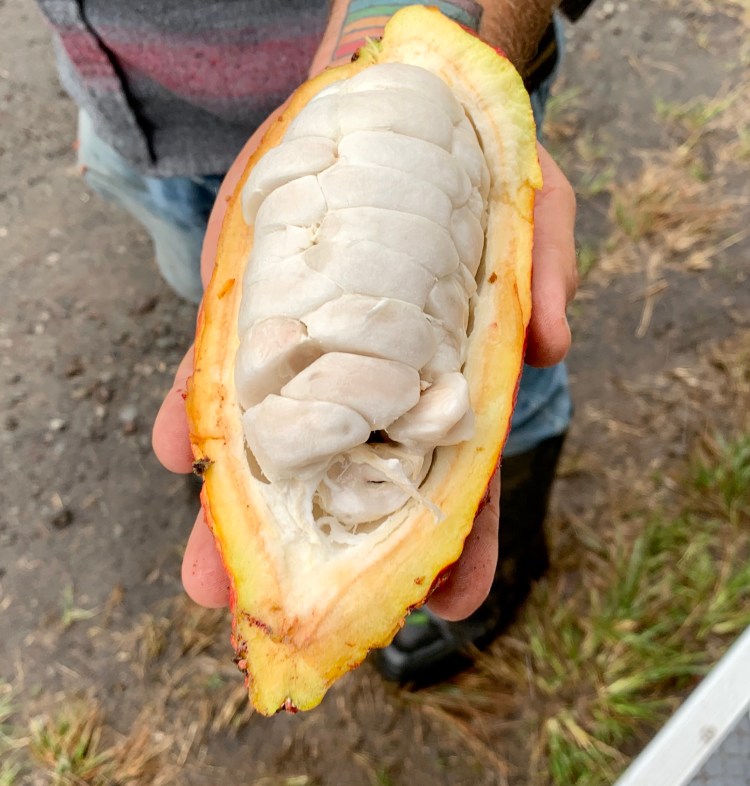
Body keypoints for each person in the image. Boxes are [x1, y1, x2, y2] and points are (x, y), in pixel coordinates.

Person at [38, 0, 588, 684]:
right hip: (140, 119)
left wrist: (428, 11)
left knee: (522, 378)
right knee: (192, 268)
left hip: (451, 25)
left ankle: (510, 546)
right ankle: (241, 499)